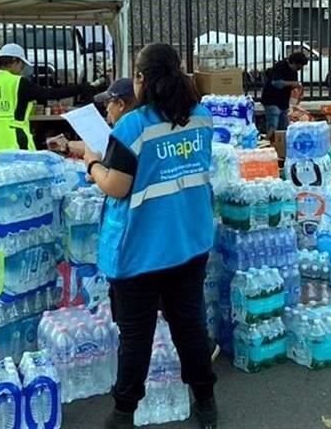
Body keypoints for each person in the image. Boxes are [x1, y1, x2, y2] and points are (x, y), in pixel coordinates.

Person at [70, 43, 218, 429]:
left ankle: (123, 413)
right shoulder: (201, 117)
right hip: (190, 242)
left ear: (141, 79)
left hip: (141, 250)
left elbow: (116, 186)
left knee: (136, 336)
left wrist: (91, 163)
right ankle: (205, 401)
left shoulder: (132, 126)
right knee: (191, 327)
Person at [0, 43, 91, 154]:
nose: (22, 69)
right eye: (22, 65)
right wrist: (81, 88)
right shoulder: (17, 82)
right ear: (15, 61)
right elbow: (50, 94)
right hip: (16, 142)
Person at [260, 52, 308, 136]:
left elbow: (292, 85)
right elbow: (277, 83)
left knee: (284, 128)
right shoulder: (280, 67)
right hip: (271, 100)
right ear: (293, 62)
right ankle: (269, 143)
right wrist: (293, 83)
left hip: (283, 102)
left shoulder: (294, 72)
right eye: (298, 67)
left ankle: (281, 144)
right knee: (273, 125)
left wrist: (298, 91)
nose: (298, 69)